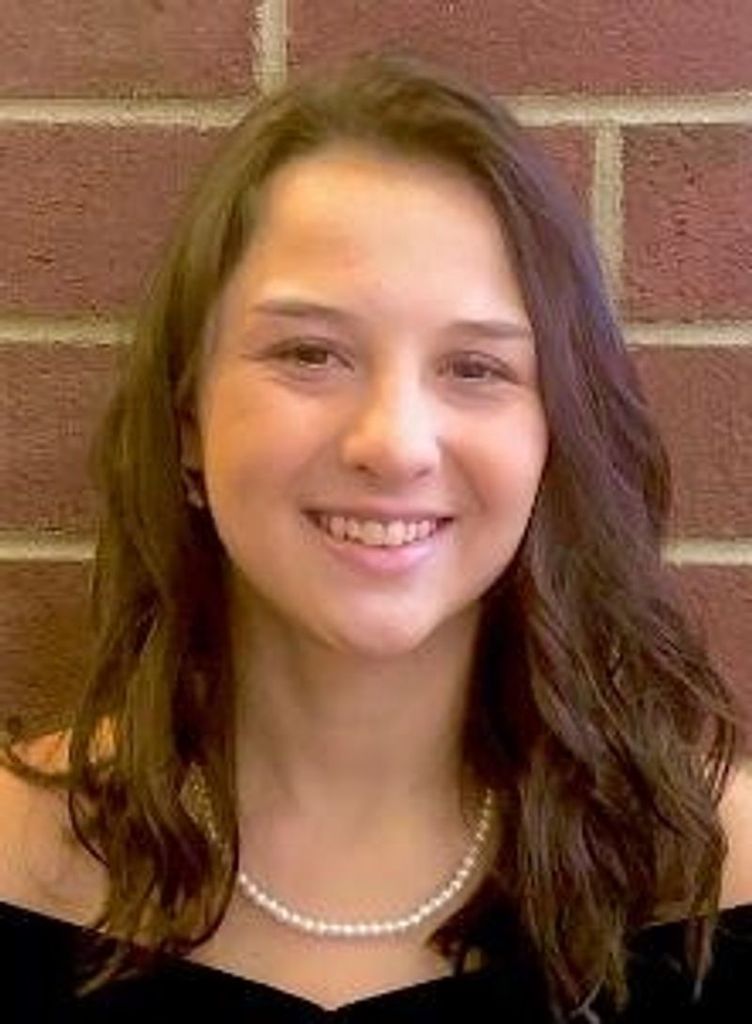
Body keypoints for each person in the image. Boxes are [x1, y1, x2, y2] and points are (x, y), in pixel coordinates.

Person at [1, 50, 751, 1023]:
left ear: (550, 434)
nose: (393, 443)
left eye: (474, 368)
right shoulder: (18, 855)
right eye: (310, 353)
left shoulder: (707, 868)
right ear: (188, 422)